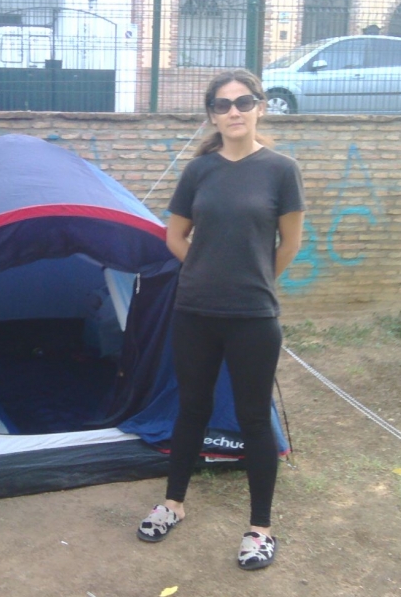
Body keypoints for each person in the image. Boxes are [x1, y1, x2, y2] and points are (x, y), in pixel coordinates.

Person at [136, 69, 306, 571]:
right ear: (211, 114)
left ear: (260, 107)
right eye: (223, 104)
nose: (234, 111)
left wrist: (252, 279)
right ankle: (173, 504)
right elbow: (175, 237)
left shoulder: (281, 169)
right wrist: (208, 271)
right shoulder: (199, 171)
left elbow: (290, 243)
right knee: (191, 409)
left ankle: (260, 528)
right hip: (194, 312)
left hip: (253, 315)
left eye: (243, 101)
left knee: (254, 418)